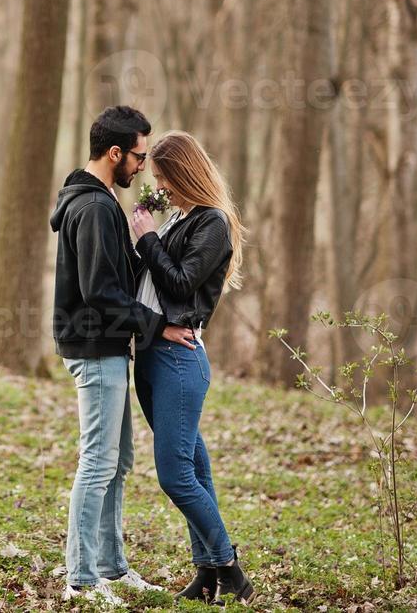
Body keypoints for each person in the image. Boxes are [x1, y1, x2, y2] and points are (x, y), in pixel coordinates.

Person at [49, 105, 191, 606]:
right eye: (138, 156)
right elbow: (100, 291)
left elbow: (118, 274)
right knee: (96, 462)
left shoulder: (103, 200)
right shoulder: (91, 208)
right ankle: (82, 580)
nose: (142, 165)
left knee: (118, 461)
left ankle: (111, 565)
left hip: (107, 346)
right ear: (115, 153)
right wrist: (161, 326)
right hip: (93, 345)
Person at [128, 130, 254, 604]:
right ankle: (206, 575)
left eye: (165, 178)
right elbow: (151, 285)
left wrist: (149, 238)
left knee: (175, 475)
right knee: (195, 470)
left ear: (185, 174)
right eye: (156, 179)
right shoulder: (182, 216)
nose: (160, 187)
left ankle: (230, 568)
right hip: (154, 357)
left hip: (179, 361)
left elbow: (180, 286)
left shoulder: (212, 223)